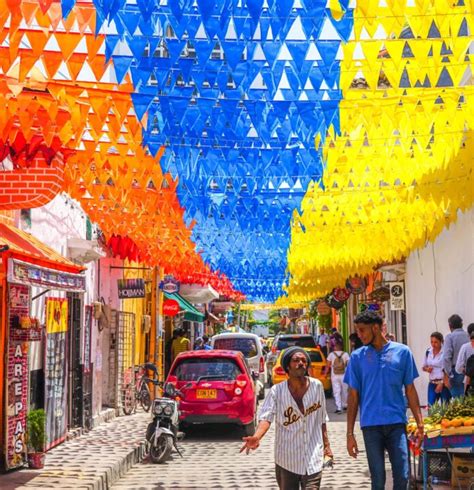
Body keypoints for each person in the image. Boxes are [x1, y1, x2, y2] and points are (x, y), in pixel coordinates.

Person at [344, 311, 423, 490]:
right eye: (358, 331)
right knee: (378, 478)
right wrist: (349, 434)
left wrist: (420, 423)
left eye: (362, 330)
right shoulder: (357, 357)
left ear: (376, 327)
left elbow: (410, 389)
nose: (360, 335)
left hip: (397, 424)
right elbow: (353, 396)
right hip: (371, 426)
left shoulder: (403, 352)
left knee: (402, 476)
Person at [240, 346, 332, 490]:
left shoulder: (317, 387)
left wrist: (327, 447)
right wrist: (257, 437)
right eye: (296, 360)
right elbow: (266, 418)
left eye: (303, 360)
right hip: (287, 459)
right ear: (288, 366)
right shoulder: (277, 391)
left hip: (313, 457)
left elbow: (322, 420)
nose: (301, 363)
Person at [443, 314, 470, 398]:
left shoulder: (449, 337)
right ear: (461, 324)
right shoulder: (468, 336)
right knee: (469, 399)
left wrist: (448, 374)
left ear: (450, 325)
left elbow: (446, 357)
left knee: (459, 402)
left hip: (456, 372)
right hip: (470, 371)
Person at [422, 332, 451, 405]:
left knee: (445, 406)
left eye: (436, 342)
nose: (433, 344)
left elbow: (448, 369)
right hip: (432, 383)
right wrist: (427, 369)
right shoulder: (428, 351)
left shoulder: (445, 352)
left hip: (443, 383)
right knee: (431, 406)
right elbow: (423, 366)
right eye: (431, 342)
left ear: (441, 341)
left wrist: (442, 383)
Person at [326, 341, 350, 414]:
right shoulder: (345, 354)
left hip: (335, 376)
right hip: (344, 375)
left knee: (336, 391)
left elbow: (328, 365)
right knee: (345, 391)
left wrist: (325, 373)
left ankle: (339, 408)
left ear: (335, 347)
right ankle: (345, 405)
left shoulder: (331, 355)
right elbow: (349, 365)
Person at [455, 324, 474, 395]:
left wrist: (465, 370)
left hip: (469, 382)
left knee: (469, 403)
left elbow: (458, 368)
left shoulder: (465, 347)